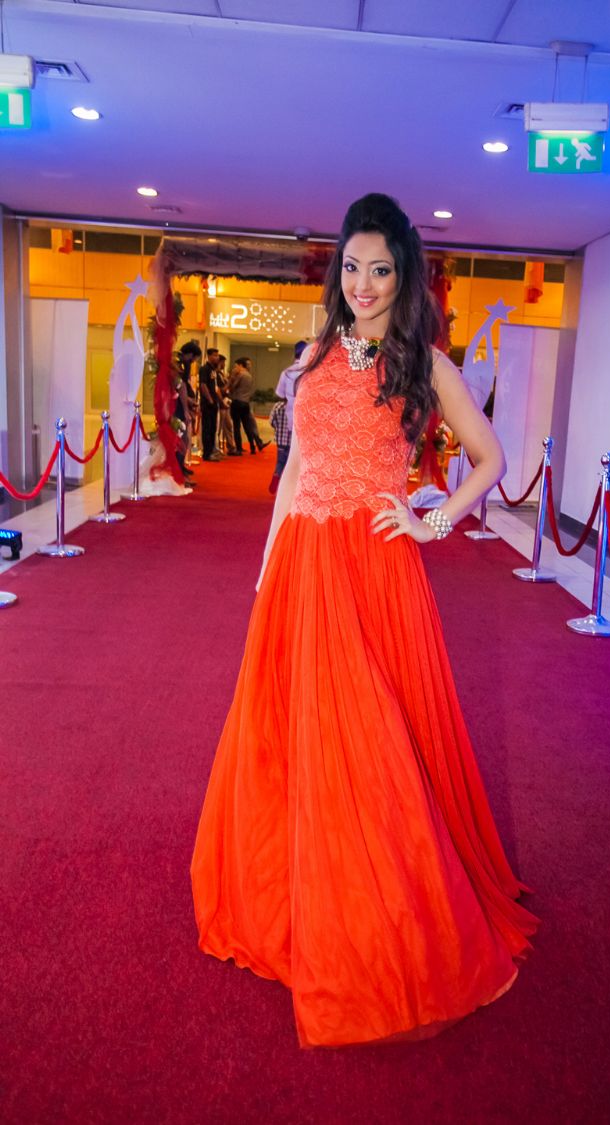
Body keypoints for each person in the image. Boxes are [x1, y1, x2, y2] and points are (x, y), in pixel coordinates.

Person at [191, 193, 538, 1048]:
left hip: (377, 568)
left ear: (403, 274)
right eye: (352, 267)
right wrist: (268, 563)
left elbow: (492, 459)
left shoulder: (425, 364)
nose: (364, 284)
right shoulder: (312, 357)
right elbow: (296, 468)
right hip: (304, 564)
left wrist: (433, 519)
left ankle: (384, 906)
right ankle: (309, 888)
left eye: (380, 269)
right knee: (299, 732)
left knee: (376, 740)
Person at [228, 357, 265, 454]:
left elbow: (233, 387)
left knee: (236, 426)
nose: (235, 368)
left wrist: (232, 377)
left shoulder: (240, 375)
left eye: (236, 366)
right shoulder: (249, 376)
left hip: (237, 402)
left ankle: (239, 448)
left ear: (240, 365)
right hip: (246, 403)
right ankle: (252, 446)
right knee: (247, 426)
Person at [275, 339, 307, 432]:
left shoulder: (286, 372)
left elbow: (281, 395)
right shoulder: (311, 371)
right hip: (307, 417)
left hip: (291, 415)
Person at [199, 348, 222, 462]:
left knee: (213, 428)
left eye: (217, 355)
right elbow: (203, 385)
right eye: (214, 355)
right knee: (207, 428)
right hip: (207, 404)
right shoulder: (204, 369)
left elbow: (216, 387)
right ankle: (206, 453)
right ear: (209, 356)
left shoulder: (214, 370)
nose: (217, 357)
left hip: (214, 403)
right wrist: (210, 399)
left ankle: (212, 450)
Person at [216, 354, 239, 455]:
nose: (224, 365)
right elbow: (221, 389)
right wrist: (230, 380)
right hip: (221, 403)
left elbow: (228, 388)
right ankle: (216, 448)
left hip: (226, 402)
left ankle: (231, 447)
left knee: (229, 426)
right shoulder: (216, 375)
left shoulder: (222, 374)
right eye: (223, 363)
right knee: (219, 428)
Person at [267, 395, 290, 494]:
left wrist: (278, 428)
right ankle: (287, 486)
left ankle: (275, 480)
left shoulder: (277, 406)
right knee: (290, 465)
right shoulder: (295, 407)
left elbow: (271, 422)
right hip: (291, 443)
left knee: (280, 463)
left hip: (280, 442)